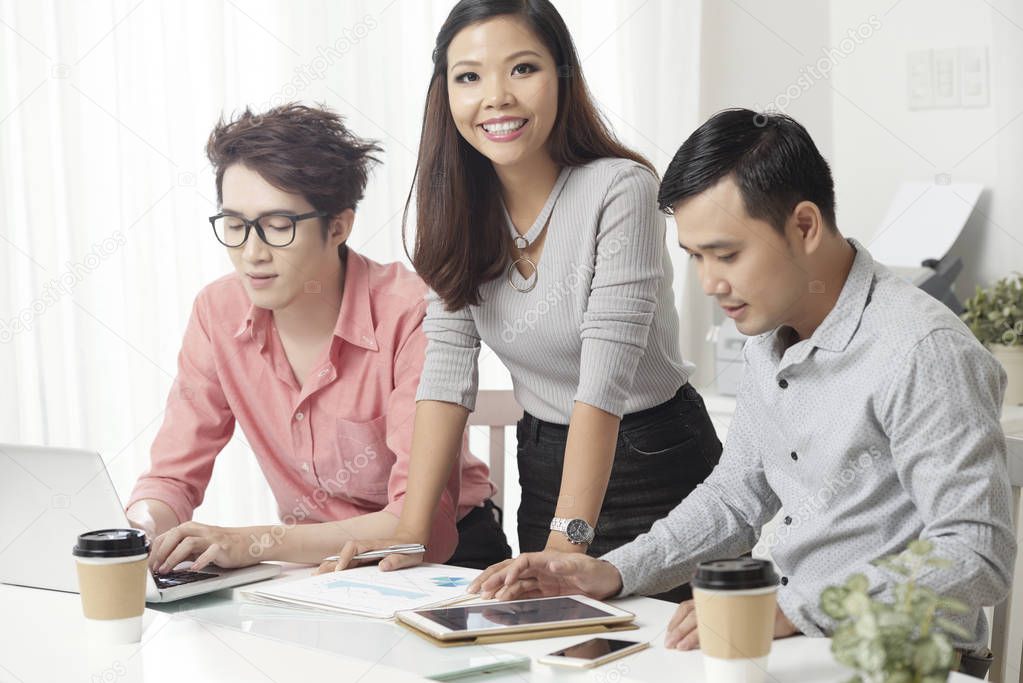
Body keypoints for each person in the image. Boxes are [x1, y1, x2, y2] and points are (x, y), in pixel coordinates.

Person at [468, 109, 1016, 677]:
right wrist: (616, 570)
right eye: (696, 258)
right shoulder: (767, 335)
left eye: (727, 254)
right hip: (793, 645)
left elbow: (976, 554)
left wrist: (790, 608)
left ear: (804, 226)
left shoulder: (924, 350)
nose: (710, 284)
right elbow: (736, 497)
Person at [323, 0, 721, 603]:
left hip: (657, 457)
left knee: (677, 658)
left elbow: (603, 382)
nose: (497, 97)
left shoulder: (621, 189)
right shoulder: (455, 208)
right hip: (546, 461)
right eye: (469, 76)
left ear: (561, 74)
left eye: (523, 69)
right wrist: (410, 532)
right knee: (560, 656)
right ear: (445, 93)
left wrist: (567, 542)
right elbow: (447, 371)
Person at [126, 104, 510, 572]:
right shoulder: (216, 313)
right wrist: (139, 533)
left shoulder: (414, 314)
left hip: (443, 564)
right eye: (234, 225)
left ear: (338, 226)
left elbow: (418, 529)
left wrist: (255, 543)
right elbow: (171, 478)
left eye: (278, 226)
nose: (251, 253)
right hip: (312, 568)